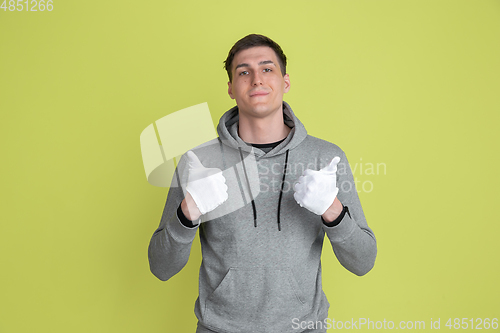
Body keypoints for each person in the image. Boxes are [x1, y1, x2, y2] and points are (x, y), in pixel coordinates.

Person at [148, 34, 377, 333]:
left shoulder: (325, 158)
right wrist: (187, 212)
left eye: (267, 69)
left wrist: (333, 212)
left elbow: (363, 262)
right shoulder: (199, 162)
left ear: (285, 82)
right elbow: (161, 267)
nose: (256, 79)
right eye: (244, 72)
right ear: (231, 88)